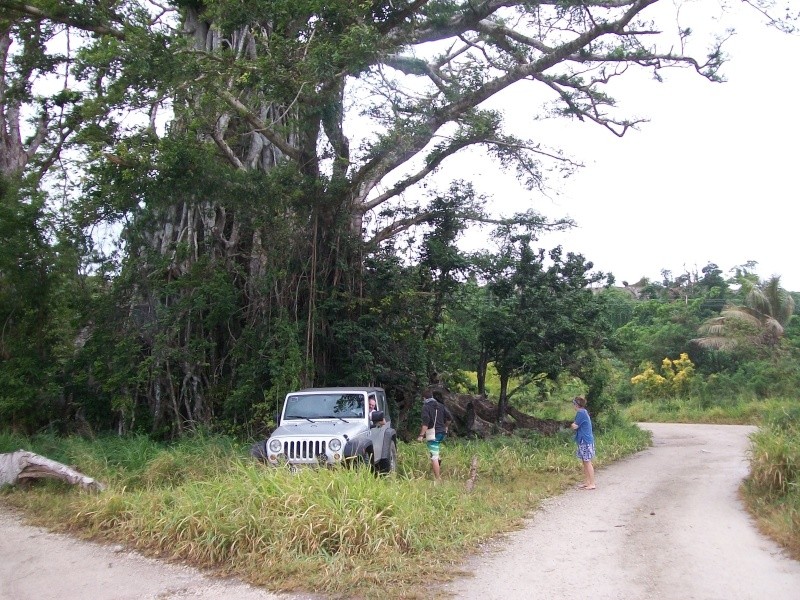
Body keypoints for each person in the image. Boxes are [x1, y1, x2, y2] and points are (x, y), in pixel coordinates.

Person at [417, 386, 452, 481]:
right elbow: (449, 418)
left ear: (424, 398)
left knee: (434, 457)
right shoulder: (440, 405)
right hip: (441, 433)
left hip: (433, 434)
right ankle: (437, 463)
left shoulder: (426, 407)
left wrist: (421, 435)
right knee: (436, 452)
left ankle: (438, 479)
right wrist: (446, 426)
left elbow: (426, 422)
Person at [571, 395, 596, 490]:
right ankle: (587, 482)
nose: (573, 406)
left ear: (576, 405)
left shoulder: (581, 413)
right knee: (584, 461)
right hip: (583, 440)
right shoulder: (584, 412)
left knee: (587, 462)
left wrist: (572, 424)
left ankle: (592, 483)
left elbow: (575, 426)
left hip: (585, 441)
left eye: (574, 404)